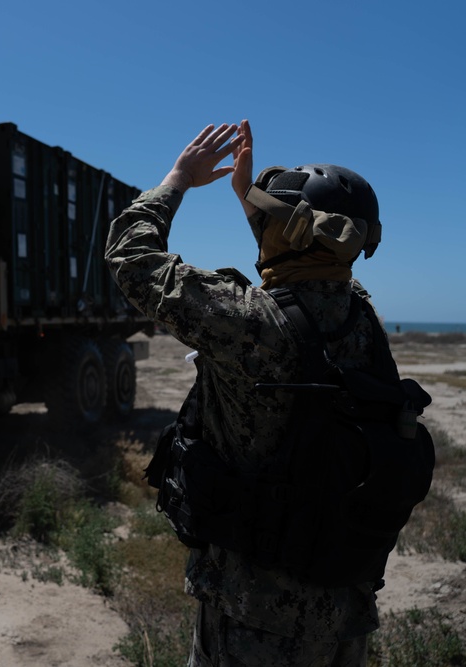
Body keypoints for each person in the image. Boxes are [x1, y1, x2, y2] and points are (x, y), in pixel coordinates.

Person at [105, 121, 385, 666]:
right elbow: (314, 269)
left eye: (272, 222)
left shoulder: (249, 324)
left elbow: (130, 258)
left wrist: (178, 180)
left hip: (255, 614)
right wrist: (259, 207)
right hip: (346, 604)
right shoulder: (364, 320)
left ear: (292, 233)